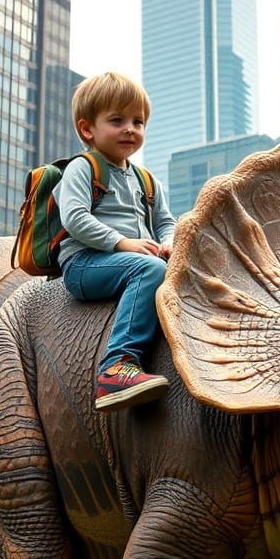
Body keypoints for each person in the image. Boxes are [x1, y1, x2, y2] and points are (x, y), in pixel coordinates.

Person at [54, 72, 176, 411]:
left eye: (138, 121)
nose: (130, 129)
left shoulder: (146, 180)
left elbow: (166, 221)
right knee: (149, 271)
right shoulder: (83, 168)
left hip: (134, 259)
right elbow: (75, 218)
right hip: (86, 264)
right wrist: (122, 243)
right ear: (87, 129)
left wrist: (167, 242)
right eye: (117, 120)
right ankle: (116, 366)